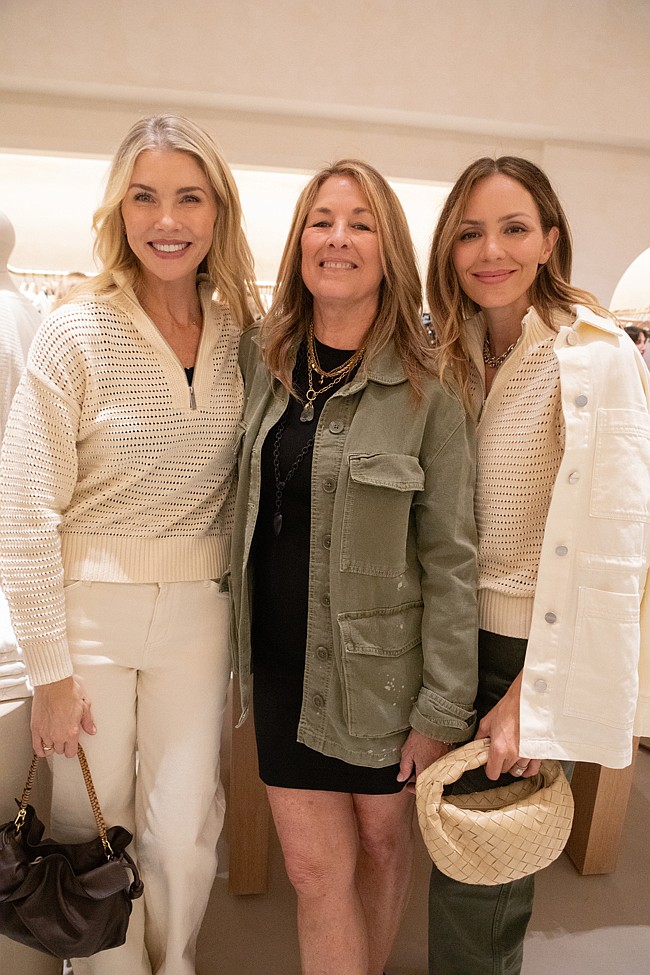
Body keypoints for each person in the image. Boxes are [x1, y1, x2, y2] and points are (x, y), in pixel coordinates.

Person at [0, 113, 262, 975]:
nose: (167, 220)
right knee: (91, 821)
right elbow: (24, 508)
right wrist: (50, 671)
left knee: (185, 823)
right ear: (119, 209)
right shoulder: (74, 330)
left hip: (200, 613)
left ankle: (173, 963)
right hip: (88, 616)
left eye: (190, 198)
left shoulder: (244, 338)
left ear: (218, 212)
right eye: (145, 197)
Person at [229, 159, 479, 975]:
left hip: (382, 676)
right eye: (322, 220)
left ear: (389, 250)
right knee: (312, 870)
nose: (338, 238)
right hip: (281, 665)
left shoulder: (430, 389)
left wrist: (442, 706)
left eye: (361, 223)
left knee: (379, 845)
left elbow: (452, 557)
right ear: (300, 241)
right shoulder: (260, 360)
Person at [425, 155, 650, 975]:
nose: (492, 251)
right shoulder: (445, 351)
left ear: (551, 240)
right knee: (442, 838)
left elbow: (612, 542)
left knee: (485, 867)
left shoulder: (592, 354)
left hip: (524, 648)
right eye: (470, 233)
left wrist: (534, 692)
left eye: (514, 228)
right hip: (441, 635)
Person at [0, 211, 59, 975]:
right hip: (26, 610)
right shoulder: (36, 322)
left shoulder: (38, 326)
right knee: (24, 816)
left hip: (17, 608)